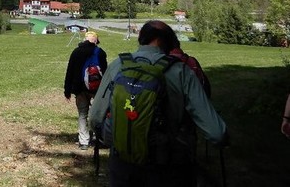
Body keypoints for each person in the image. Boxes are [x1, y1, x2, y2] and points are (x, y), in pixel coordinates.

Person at [89, 20, 227, 187]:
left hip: (123, 166)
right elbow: (216, 133)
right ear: (167, 42)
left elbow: (95, 118)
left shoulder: (118, 65)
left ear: (141, 39)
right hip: (168, 168)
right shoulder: (181, 72)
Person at [64, 31, 107, 150]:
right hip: (96, 89)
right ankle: (98, 138)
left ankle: (84, 142)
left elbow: (70, 71)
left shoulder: (76, 52)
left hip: (79, 89)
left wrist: (67, 90)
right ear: (96, 41)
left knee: (82, 114)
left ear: (85, 40)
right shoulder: (100, 52)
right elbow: (105, 72)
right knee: (96, 114)